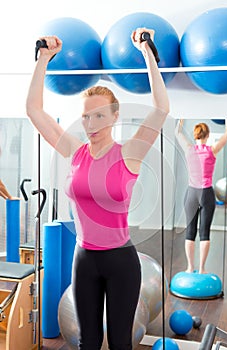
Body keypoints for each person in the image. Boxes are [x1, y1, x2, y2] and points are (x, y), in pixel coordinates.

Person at [26, 28, 169, 350]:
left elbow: (160, 109)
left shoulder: (130, 154)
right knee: (86, 340)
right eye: (87, 117)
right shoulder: (75, 152)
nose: (92, 125)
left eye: (100, 116)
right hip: (84, 259)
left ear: (115, 117)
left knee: (120, 342)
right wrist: (43, 60)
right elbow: (34, 111)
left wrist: (147, 51)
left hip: (121, 262)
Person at [175, 119, 227, 274]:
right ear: (207, 135)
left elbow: (177, 132)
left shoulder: (189, 149)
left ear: (195, 136)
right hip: (206, 193)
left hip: (191, 194)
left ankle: (189, 267)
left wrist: (181, 120)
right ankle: (201, 269)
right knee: (204, 233)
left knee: (190, 232)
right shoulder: (211, 150)